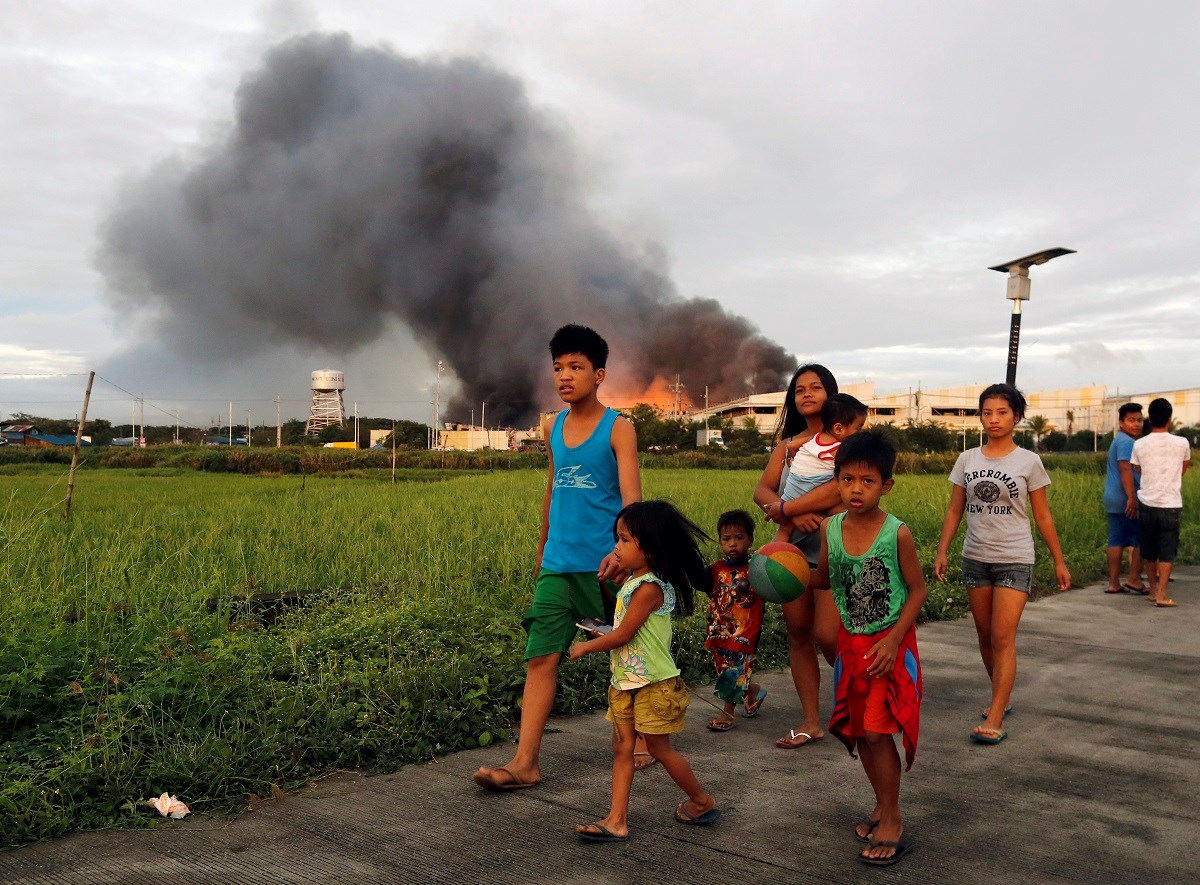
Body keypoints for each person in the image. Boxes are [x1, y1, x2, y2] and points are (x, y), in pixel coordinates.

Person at [473, 324, 641, 792]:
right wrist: (542, 547)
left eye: (576, 367)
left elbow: (632, 501)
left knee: (629, 654)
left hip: (606, 565)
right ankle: (525, 762)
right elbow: (552, 489)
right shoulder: (553, 426)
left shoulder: (619, 429)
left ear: (599, 374)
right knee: (540, 658)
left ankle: (644, 737)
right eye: (558, 368)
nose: (564, 376)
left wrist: (625, 556)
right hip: (557, 565)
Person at [569, 501, 720, 842]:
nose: (616, 548)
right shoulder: (633, 583)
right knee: (623, 749)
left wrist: (586, 646)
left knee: (658, 749)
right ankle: (616, 819)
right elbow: (626, 632)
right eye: (617, 539)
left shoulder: (649, 587)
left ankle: (701, 800)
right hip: (625, 682)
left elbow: (623, 636)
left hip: (654, 685)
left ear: (651, 546)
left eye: (623, 540)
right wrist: (604, 631)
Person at [933, 383, 1070, 745]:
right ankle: (1001, 695)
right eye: (987, 412)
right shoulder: (968, 460)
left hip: (1015, 558)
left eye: (1002, 412)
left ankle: (995, 714)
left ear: (1017, 417)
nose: (993, 419)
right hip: (975, 558)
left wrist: (1059, 560)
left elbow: (1043, 516)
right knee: (984, 638)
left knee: (1002, 637)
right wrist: (943, 549)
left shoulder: (1028, 461)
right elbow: (954, 509)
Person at [815, 430, 925, 866]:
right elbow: (823, 578)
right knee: (862, 733)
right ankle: (881, 804)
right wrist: (778, 570)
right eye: (846, 479)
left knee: (880, 732)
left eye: (867, 481)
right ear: (836, 481)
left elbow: (916, 592)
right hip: (851, 646)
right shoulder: (831, 528)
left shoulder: (897, 534)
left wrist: (894, 640)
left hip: (889, 645)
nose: (855, 489)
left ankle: (893, 818)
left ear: (886, 485)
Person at [754, 364, 844, 749]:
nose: (807, 394)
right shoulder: (787, 446)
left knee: (829, 635)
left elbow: (841, 489)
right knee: (799, 635)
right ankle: (812, 720)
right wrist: (786, 508)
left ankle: (854, 702)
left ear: (831, 394)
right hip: (792, 554)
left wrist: (787, 509)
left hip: (833, 550)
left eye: (816, 387)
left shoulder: (846, 441)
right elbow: (762, 490)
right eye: (799, 389)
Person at [771, 393, 869, 544]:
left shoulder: (815, 437)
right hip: (810, 489)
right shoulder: (840, 449)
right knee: (849, 512)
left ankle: (770, 556)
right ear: (838, 429)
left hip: (791, 490)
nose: (861, 433)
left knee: (785, 529)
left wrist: (793, 459)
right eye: (859, 428)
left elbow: (792, 446)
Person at [700, 509, 766, 732]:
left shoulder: (757, 569)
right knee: (724, 669)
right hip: (719, 631)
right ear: (720, 541)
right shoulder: (716, 569)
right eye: (726, 539)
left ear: (750, 540)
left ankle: (727, 713)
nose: (733, 544)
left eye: (739, 538)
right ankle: (752, 691)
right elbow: (699, 582)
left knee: (733, 671)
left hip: (744, 634)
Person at [1131, 397, 1191, 608]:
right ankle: (1162, 595)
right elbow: (1183, 469)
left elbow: (1139, 470)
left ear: (1150, 418)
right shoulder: (1182, 442)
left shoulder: (1139, 444)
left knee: (1149, 548)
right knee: (1167, 549)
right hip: (1171, 503)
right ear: (1170, 419)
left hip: (1147, 501)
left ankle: (1153, 590)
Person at [1103, 403, 1146, 594]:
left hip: (1113, 498)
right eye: (1131, 420)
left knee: (1116, 540)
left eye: (1139, 420)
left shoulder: (1119, 440)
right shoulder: (1127, 442)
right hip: (1125, 498)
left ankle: (1113, 583)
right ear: (1121, 423)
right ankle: (1134, 579)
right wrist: (1132, 498)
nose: (1136, 424)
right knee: (1140, 539)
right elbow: (1125, 469)